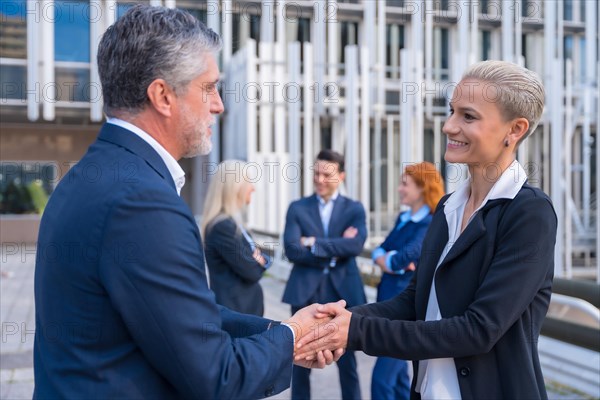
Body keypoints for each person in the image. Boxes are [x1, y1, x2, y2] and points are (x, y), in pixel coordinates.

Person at [33, 6, 340, 399]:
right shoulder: (143, 203)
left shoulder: (88, 177)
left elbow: (185, 319)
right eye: (209, 87)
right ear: (162, 95)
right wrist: (293, 338)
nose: (219, 105)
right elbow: (216, 376)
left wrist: (281, 332)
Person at [296, 60, 557, 399]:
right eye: (451, 111)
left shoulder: (530, 213)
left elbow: (479, 329)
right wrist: (336, 321)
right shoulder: (448, 207)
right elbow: (413, 303)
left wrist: (354, 330)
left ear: (515, 129)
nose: (449, 126)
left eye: (468, 116)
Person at [282, 149, 367, 400]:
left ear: (341, 176)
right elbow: (292, 250)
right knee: (298, 363)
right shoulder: (298, 207)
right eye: (316, 173)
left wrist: (314, 242)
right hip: (305, 292)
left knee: (348, 364)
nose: (319, 179)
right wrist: (336, 246)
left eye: (326, 174)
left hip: (343, 294)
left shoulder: (354, 209)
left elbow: (356, 246)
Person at [370, 162, 444, 400]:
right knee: (401, 378)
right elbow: (380, 251)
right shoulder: (404, 218)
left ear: (422, 188)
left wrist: (390, 260)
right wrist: (389, 259)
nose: (399, 189)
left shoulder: (431, 222)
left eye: (405, 184)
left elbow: (402, 258)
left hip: (404, 309)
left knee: (381, 380)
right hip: (387, 299)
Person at [202, 160, 270, 316]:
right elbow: (251, 271)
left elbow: (260, 259)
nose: (253, 188)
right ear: (235, 188)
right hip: (236, 312)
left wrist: (260, 258)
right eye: (249, 183)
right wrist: (259, 259)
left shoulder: (234, 223)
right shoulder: (223, 227)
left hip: (243, 309)